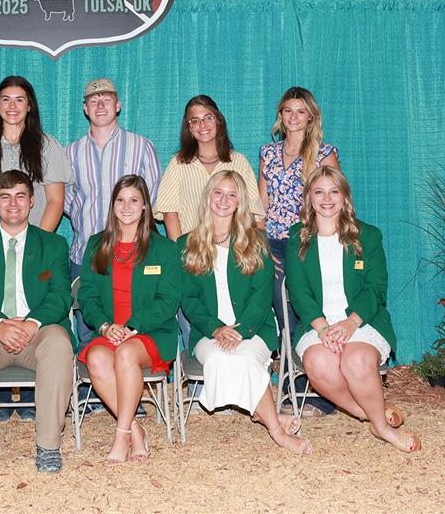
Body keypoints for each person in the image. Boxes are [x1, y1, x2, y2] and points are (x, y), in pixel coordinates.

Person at [285, 166, 420, 453]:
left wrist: (349, 324)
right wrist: (323, 329)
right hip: (316, 324)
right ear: (308, 198)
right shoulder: (298, 237)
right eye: (319, 192)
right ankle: (369, 414)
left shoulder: (367, 236)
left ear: (345, 197)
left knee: (355, 360)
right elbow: (298, 291)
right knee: (319, 363)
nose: (326, 199)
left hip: (362, 321)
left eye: (334, 191)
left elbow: (376, 288)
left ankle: (383, 430)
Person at [179, 172, 311, 455]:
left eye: (232, 194)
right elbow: (188, 299)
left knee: (247, 358)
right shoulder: (186, 244)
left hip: (254, 328)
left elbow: (262, 297)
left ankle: (276, 432)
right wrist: (215, 328)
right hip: (208, 333)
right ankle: (270, 417)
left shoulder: (257, 242)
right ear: (208, 197)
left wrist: (241, 330)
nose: (224, 200)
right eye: (218, 192)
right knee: (217, 359)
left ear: (240, 201)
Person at [0, 170, 74, 474]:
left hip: (36, 334)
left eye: (20, 196)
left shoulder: (53, 244)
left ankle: (49, 446)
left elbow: (61, 295)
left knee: (60, 342)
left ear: (32, 202)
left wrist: (31, 323)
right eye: (5, 197)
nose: (13, 203)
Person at [78, 175, 181, 465]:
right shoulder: (97, 244)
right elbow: (87, 296)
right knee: (96, 359)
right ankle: (136, 430)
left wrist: (132, 327)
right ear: (112, 206)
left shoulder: (164, 249)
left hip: (151, 332)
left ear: (146, 206)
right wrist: (105, 326)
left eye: (134, 200)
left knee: (125, 354)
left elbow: (169, 301)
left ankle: (120, 436)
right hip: (110, 332)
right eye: (120, 200)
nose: (127, 206)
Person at [259, 86, 340, 417]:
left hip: (308, 240)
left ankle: (318, 391)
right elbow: (261, 205)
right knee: (282, 310)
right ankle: (293, 384)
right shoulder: (267, 153)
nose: (293, 117)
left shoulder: (324, 154)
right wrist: (258, 243)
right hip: (273, 240)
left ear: (311, 117)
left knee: (307, 309)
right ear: (280, 116)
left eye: (300, 111)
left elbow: (334, 200)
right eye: (288, 110)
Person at [65, 77, 161, 347]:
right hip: (87, 252)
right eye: (93, 100)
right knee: (88, 331)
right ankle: (93, 387)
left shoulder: (141, 146)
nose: (100, 104)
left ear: (118, 105)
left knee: (134, 332)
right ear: (85, 108)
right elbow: (66, 199)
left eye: (106, 98)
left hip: (134, 254)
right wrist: (86, 222)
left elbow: (151, 196)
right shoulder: (71, 152)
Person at [0, 75, 73, 233]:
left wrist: (38, 244)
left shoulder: (47, 146)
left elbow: (56, 201)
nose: (12, 106)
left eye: (19, 100)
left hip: (35, 247)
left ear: (29, 106)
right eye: (6, 99)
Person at [154, 94, 263, 241]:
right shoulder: (178, 164)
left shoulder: (239, 162)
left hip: (232, 251)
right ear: (189, 127)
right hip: (192, 251)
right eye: (195, 121)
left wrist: (261, 247)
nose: (202, 125)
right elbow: (169, 212)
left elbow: (253, 211)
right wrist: (180, 251)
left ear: (218, 121)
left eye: (208, 118)